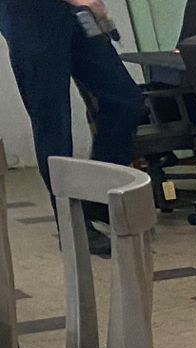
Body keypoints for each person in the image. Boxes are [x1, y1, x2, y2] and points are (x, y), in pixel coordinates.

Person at [0, 0, 145, 250]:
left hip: (74, 12)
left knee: (126, 101)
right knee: (53, 124)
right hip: (28, 14)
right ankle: (72, 225)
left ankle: (96, 199)